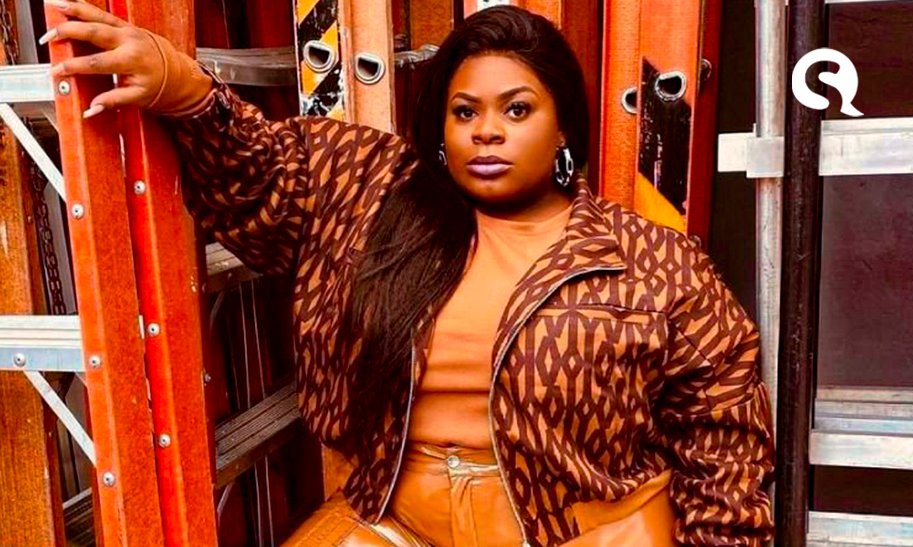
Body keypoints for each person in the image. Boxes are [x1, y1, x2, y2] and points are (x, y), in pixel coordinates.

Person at [41, 2, 774, 545]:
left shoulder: (648, 260)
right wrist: (183, 87)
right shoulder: (373, 194)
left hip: (584, 534)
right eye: (465, 112)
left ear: (562, 128)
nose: (487, 130)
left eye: (517, 109)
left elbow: (723, 440)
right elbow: (259, 171)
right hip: (398, 527)